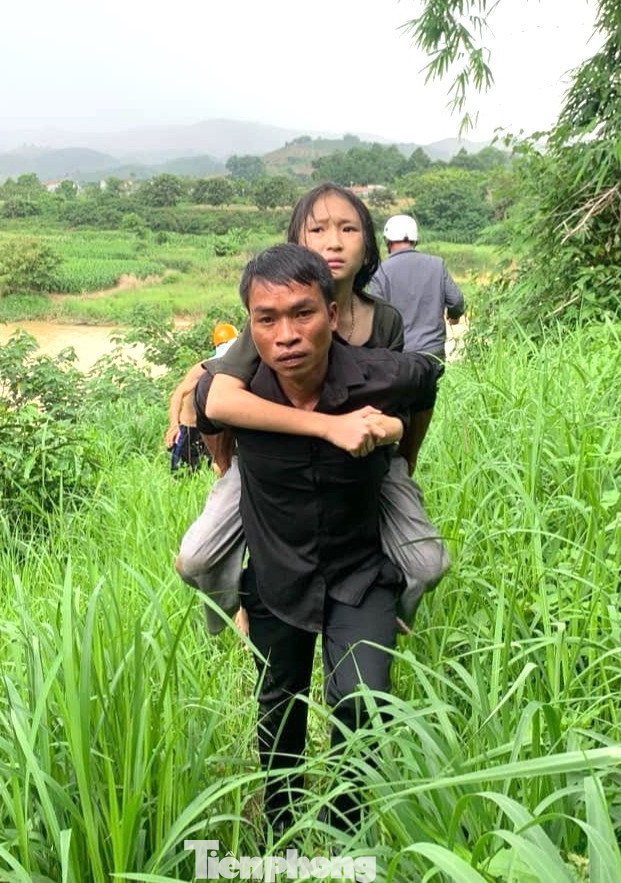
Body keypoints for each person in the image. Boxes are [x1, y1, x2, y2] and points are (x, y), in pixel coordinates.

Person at [193, 243, 442, 832]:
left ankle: (344, 829)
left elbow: (427, 380)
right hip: (278, 577)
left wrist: (398, 439)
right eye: (267, 319)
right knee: (279, 709)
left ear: (333, 314)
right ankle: (283, 828)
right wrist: (232, 477)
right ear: (251, 327)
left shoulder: (379, 374)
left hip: (361, 572)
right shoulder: (242, 391)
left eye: (303, 313)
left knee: (362, 703)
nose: (286, 335)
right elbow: (206, 413)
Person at [176, 185, 449, 634]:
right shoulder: (274, 322)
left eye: (348, 228)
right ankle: (236, 606)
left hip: (360, 464)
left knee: (429, 563)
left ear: (369, 245)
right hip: (274, 464)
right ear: (296, 244)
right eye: (317, 230)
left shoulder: (385, 322)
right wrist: (234, 467)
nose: (334, 242)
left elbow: (401, 397)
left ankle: (385, 608)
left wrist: (397, 443)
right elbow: (218, 399)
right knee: (197, 558)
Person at [369, 214, 465, 362]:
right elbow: (456, 300)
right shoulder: (436, 265)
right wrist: (454, 315)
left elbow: (376, 316)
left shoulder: (381, 272)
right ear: (414, 240)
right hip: (434, 352)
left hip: (399, 354)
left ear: (388, 240)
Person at [164, 322, 237, 472]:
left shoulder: (233, 368)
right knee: (181, 475)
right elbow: (178, 394)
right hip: (190, 431)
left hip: (213, 429)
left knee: (221, 469)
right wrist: (174, 425)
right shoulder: (203, 368)